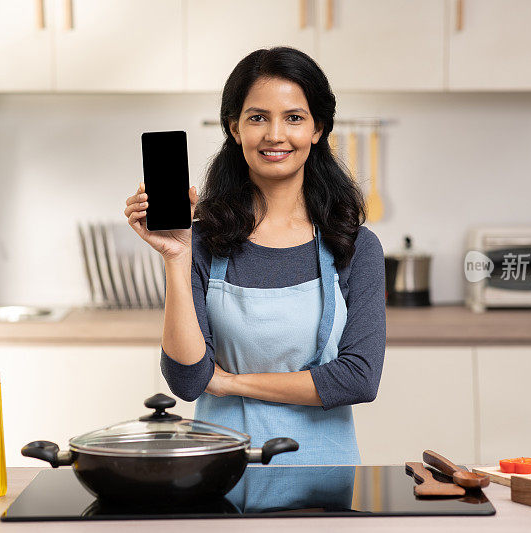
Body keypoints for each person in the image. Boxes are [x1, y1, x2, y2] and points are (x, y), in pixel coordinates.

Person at [124, 46, 385, 465]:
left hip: (321, 478)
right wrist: (177, 257)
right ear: (234, 128)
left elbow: (358, 379)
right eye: (257, 117)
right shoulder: (202, 241)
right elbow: (188, 379)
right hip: (220, 474)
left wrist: (230, 384)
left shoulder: (354, 246)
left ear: (318, 129)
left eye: (294, 118)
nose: (275, 135)